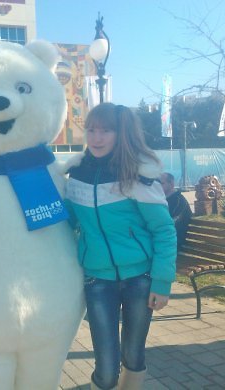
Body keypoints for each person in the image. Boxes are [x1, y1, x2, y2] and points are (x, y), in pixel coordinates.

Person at [65, 103, 177, 390]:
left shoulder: (137, 175)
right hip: (97, 280)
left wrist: (162, 282)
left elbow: (164, 230)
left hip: (141, 280)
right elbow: (68, 222)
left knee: (134, 355)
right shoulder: (77, 175)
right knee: (105, 369)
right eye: (91, 130)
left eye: (105, 131)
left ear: (121, 133)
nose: (96, 138)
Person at [160, 172, 193, 249]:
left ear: (171, 184)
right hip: (163, 240)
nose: (157, 186)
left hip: (174, 242)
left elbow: (172, 223)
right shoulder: (160, 200)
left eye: (161, 183)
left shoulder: (179, 201)